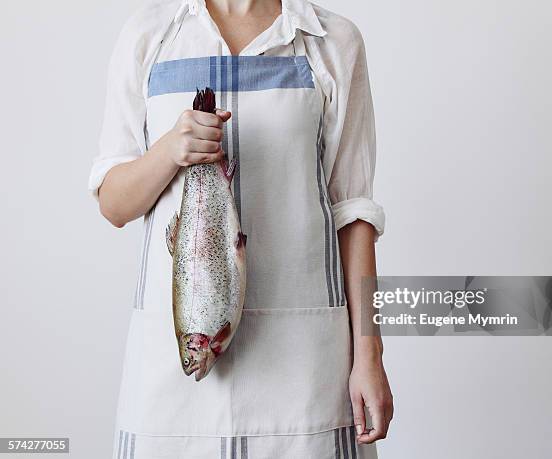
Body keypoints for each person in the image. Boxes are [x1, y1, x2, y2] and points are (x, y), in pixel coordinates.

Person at [88, 0, 393, 457]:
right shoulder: (150, 36)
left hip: (302, 365)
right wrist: (169, 150)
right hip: (178, 368)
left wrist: (370, 354)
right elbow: (114, 204)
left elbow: (354, 214)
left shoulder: (332, 40)